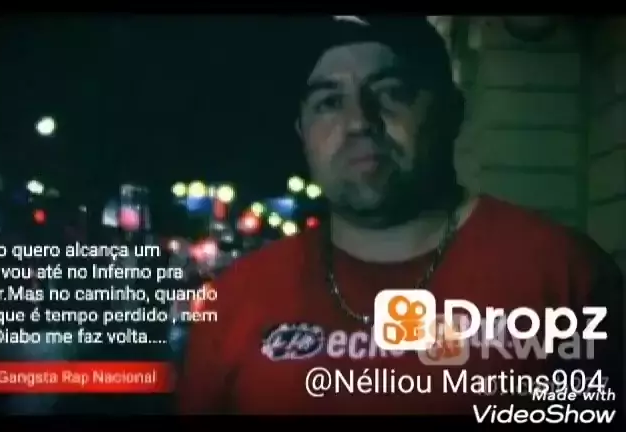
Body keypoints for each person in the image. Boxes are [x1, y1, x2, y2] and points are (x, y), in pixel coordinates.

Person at [177, 16, 623, 415]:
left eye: (392, 92)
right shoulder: (235, 300)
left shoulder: (563, 276)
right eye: (328, 102)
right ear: (303, 133)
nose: (359, 121)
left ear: (452, 113)